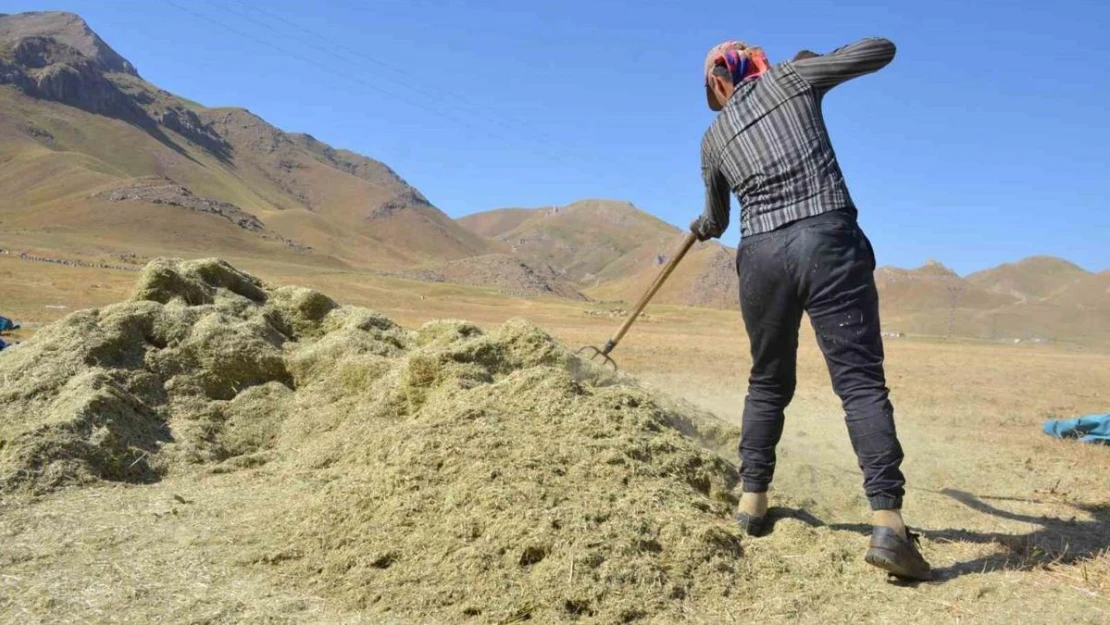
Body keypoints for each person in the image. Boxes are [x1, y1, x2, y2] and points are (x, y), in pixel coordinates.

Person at [692, 38, 932, 581]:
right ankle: (889, 525)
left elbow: (716, 220)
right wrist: (814, 61)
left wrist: (701, 227)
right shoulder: (794, 81)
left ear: (719, 82)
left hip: (760, 258)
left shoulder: (713, 138)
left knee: (767, 382)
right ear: (757, 63)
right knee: (860, 384)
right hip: (824, 238)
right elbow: (883, 49)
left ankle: (751, 503)